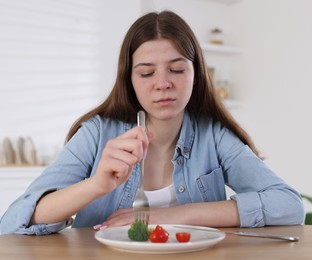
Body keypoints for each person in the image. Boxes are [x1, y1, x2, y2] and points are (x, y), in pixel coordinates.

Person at [0, 11, 304, 235]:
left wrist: (170, 216)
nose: (162, 84)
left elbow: (289, 206)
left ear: (196, 74)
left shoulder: (214, 136)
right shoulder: (96, 133)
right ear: (129, 80)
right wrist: (96, 185)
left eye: (176, 69)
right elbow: (14, 221)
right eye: (146, 73)